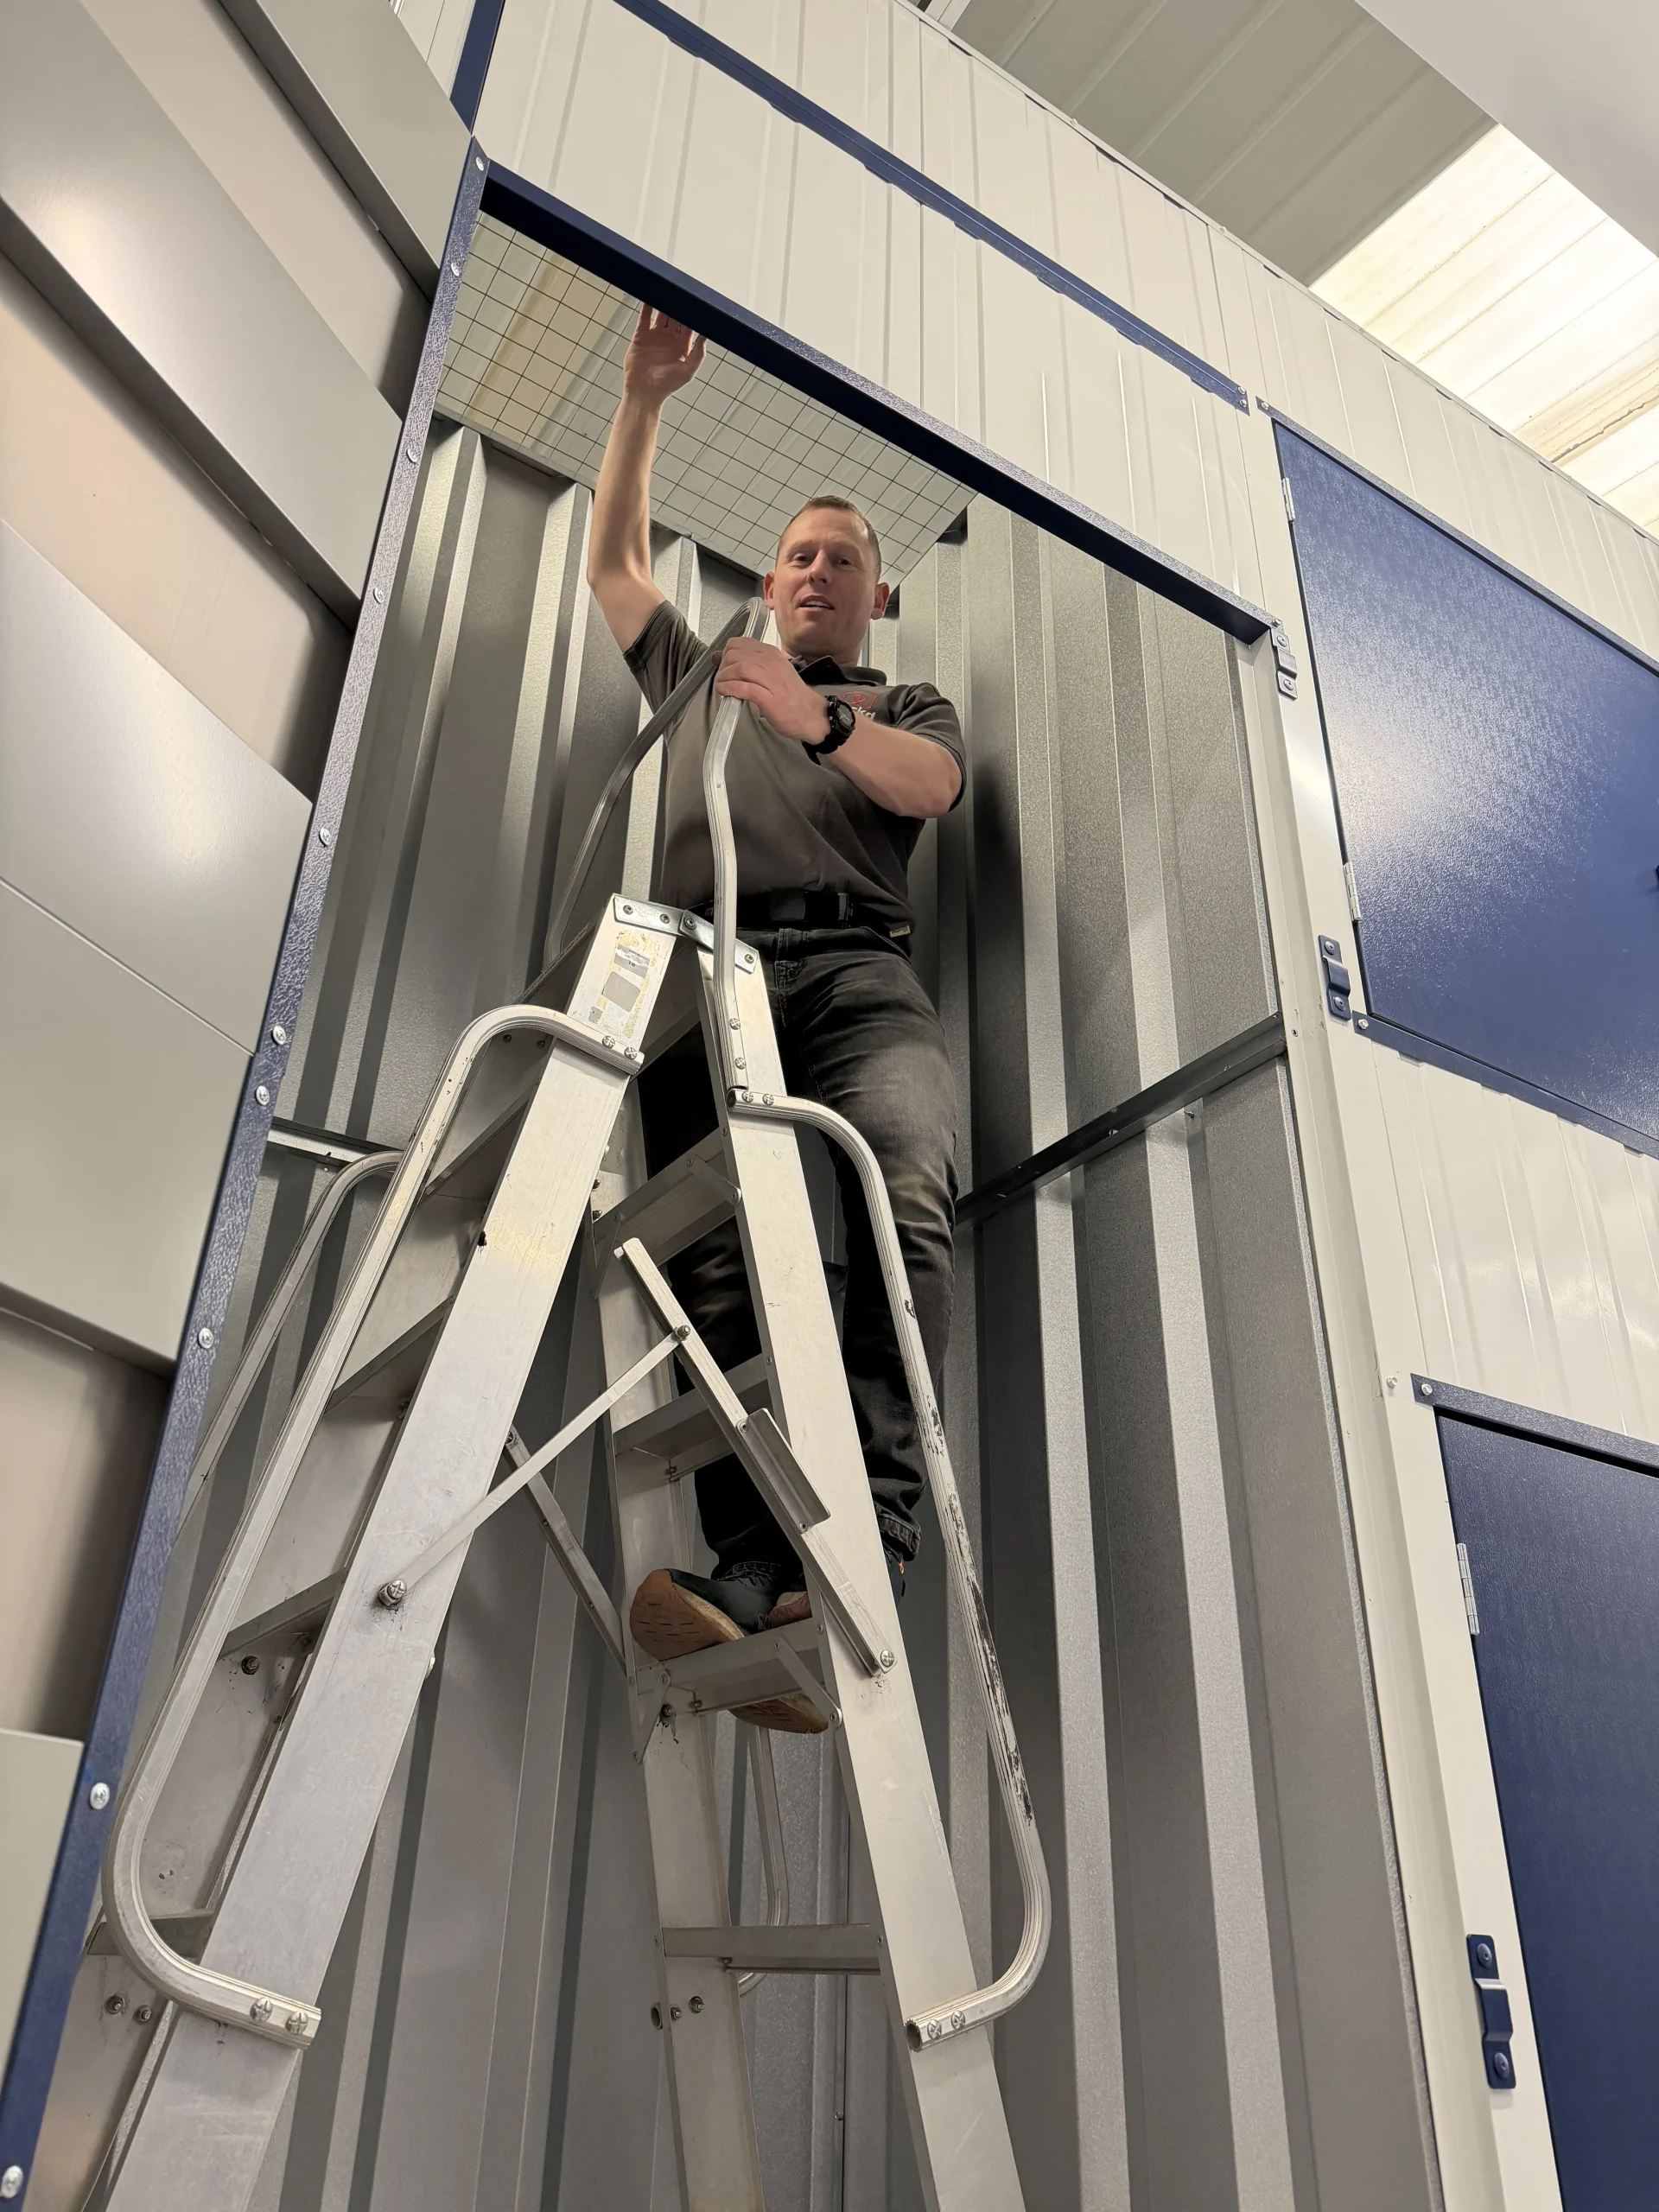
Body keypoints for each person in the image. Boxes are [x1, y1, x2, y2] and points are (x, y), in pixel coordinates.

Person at [586, 307, 964, 1727]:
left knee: (900, 1193)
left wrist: (809, 719)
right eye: (799, 556)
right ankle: (758, 1566)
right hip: (714, 974)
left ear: (872, 600)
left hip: (859, 975)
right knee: (719, 1262)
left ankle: (868, 1542)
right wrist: (639, 402)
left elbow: (928, 787)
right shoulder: (701, 670)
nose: (817, 573)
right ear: (769, 579)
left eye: (843, 561)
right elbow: (617, 567)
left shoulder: (900, 701)